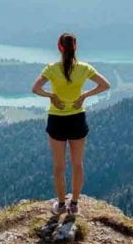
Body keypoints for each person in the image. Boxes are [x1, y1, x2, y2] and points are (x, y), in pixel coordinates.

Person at [31, 32, 111, 215]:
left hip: (57, 119)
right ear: (75, 47)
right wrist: (84, 96)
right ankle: (74, 204)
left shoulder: (51, 69)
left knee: (59, 166)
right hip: (77, 118)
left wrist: (51, 96)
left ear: (59, 47)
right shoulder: (84, 68)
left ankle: (60, 205)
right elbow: (105, 85)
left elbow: (35, 89)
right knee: (77, 164)